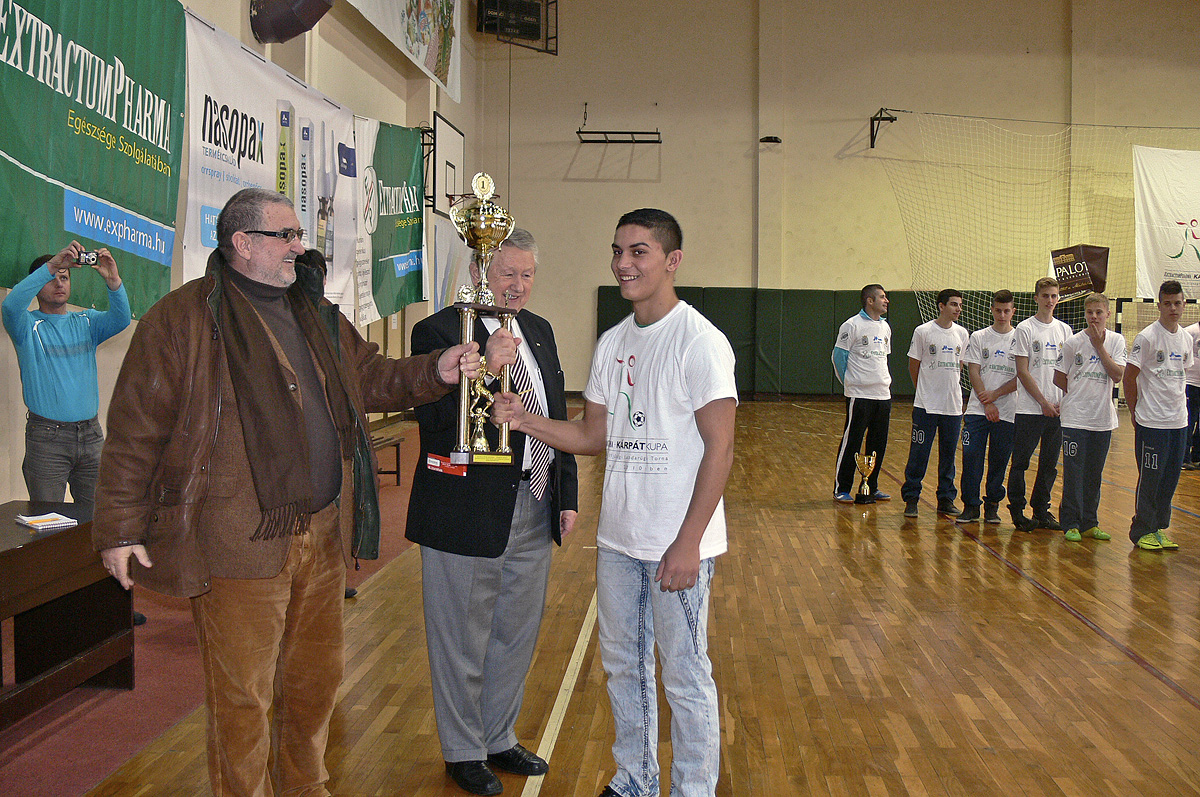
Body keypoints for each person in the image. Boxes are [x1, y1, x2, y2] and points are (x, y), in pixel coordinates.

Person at [91, 187, 491, 797]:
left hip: (323, 533)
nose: (299, 247)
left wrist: (436, 369)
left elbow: (371, 377)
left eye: (298, 235)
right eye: (286, 236)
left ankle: (306, 788)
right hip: (236, 542)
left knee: (314, 685)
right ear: (243, 243)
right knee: (243, 699)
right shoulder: (182, 319)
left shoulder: (315, 312)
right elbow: (135, 430)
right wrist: (119, 529)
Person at [493, 209, 737, 797]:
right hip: (619, 543)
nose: (623, 264)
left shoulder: (700, 341)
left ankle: (693, 789)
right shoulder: (612, 342)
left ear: (672, 261)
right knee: (624, 669)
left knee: (685, 675)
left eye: (638, 252)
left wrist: (688, 543)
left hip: (678, 545)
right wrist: (523, 420)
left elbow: (721, 448)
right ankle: (635, 780)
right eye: (617, 251)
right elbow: (591, 435)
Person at [405, 228, 578, 796]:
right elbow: (433, 425)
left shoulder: (540, 330)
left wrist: (566, 495)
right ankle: (463, 750)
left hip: (534, 500)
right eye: (507, 273)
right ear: (480, 272)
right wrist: (478, 368)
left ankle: (499, 736)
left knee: (515, 634)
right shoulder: (439, 332)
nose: (518, 286)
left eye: (527, 274)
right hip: (464, 510)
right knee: (460, 638)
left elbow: (554, 411)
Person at [2, 242, 130, 522]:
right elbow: (10, 306)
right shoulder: (26, 326)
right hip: (47, 440)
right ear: (38, 284)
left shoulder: (86, 321)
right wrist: (50, 266)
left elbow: (121, 319)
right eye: (52, 278)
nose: (59, 283)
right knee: (47, 522)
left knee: (98, 521)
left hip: (91, 436)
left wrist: (113, 281)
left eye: (64, 277)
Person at [1124, 280, 1194, 551]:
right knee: (1150, 478)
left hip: (1179, 421)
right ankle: (1142, 530)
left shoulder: (1186, 338)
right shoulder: (1147, 337)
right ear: (1159, 305)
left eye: (1177, 303)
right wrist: (1135, 412)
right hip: (1152, 422)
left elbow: (1182, 375)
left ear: (1184, 304)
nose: (1173, 308)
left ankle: (1158, 527)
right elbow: (1129, 378)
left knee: (1170, 479)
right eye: (1167, 304)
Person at [1052, 293, 1125, 542]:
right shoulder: (1072, 342)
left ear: (1107, 314)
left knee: (1094, 473)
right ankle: (1070, 522)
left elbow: (1117, 375)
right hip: (1075, 418)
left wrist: (1099, 346)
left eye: (1099, 312)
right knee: (1074, 473)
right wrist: (1078, 396)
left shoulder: (1116, 341)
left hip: (1102, 419)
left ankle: (1089, 523)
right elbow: (1058, 377)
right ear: (1085, 314)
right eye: (1090, 312)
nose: (1094, 317)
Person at [1007, 277, 1071, 532]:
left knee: (1049, 464)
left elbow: (1068, 371)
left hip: (1057, 410)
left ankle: (1042, 510)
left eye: (1054, 296)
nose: (1050, 300)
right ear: (1036, 298)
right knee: (1021, 462)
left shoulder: (1065, 330)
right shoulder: (1025, 329)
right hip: (1030, 409)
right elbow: (1022, 371)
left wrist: (1063, 401)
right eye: (1045, 296)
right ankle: (1017, 511)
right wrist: (1043, 402)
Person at [901, 288, 969, 519]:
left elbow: (959, 366)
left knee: (949, 456)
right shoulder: (923, 331)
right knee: (919, 453)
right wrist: (924, 390)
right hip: (926, 406)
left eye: (960, 305)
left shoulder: (962, 333)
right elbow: (914, 365)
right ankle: (912, 498)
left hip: (952, 407)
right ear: (941, 306)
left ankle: (946, 499)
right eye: (954, 304)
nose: (958, 309)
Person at [957, 290, 1018, 525]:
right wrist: (988, 402)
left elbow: (1022, 376)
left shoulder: (1019, 338)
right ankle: (971, 506)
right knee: (972, 458)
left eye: (1006, 311)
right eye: (998, 310)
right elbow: (973, 370)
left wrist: (997, 395)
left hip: (1008, 412)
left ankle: (992, 505)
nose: (1002, 315)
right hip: (977, 410)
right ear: (991, 310)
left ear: (1013, 311)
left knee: (999, 461)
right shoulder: (979, 336)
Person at [831, 284, 892, 502]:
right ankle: (842, 487)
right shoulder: (852, 325)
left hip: (883, 395)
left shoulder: (885, 327)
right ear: (869, 301)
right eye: (882, 297)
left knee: (878, 443)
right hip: (859, 395)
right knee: (853, 441)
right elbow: (838, 357)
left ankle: (871, 486)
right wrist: (850, 384)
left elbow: (883, 358)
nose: (886, 301)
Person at [1184, 319, 1200, 470]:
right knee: (1189, 420)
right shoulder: (1190, 332)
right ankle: (1184, 457)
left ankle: (1197, 456)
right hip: (1191, 383)